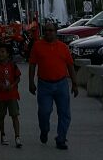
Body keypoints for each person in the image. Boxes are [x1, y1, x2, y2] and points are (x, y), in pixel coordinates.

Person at [28, 19, 79, 149]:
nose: (48, 33)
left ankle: (61, 139)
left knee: (64, 114)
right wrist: (31, 82)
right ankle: (44, 130)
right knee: (44, 112)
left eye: (51, 30)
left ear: (56, 32)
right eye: (45, 30)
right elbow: (32, 65)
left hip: (61, 84)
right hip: (44, 85)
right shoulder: (37, 46)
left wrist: (74, 83)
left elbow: (70, 66)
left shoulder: (63, 47)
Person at [0, 43, 22, 147]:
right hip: (0, 95)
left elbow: (18, 78)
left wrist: (13, 85)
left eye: (3, 52)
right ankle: (3, 134)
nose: (0, 54)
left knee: (15, 115)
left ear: (8, 53)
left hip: (12, 95)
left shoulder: (13, 65)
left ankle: (17, 137)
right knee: (1, 115)